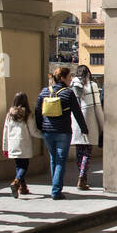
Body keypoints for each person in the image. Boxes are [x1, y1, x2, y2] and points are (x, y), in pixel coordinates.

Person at [36, 66, 91, 200]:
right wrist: (84, 128)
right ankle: (56, 190)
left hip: (47, 131)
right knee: (60, 160)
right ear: (62, 78)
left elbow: (38, 110)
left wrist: (40, 127)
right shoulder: (68, 93)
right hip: (63, 131)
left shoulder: (44, 92)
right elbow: (77, 112)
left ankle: (55, 187)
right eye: (68, 77)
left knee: (53, 158)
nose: (70, 79)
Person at [69, 65, 105, 189]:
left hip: (76, 122)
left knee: (79, 151)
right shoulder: (92, 86)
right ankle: (82, 177)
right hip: (90, 122)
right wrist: (103, 125)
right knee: (87, 152)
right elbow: (97, 107)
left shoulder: (72, 86)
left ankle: (81, 175)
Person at [2, 92, 41, 198]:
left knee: (18, 165)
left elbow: (5, 131)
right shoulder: (27, 114)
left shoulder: (9, 115)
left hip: (12, 143)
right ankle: (16, 182)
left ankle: (22, 187)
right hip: (24, 143)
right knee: (24, 166)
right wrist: (43, 135)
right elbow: (33, 131)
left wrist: (5, 147)